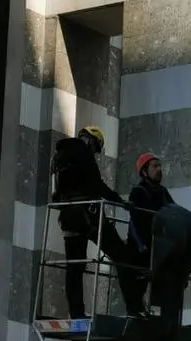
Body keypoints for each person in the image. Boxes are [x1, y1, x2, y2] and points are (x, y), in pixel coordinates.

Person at [50, 126, 145, 319]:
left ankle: (76, 314)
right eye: (96, 148)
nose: (94, 152)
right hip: (88, 215)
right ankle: (135, 308)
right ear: (91, 141)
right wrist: (121, 202)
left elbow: (56, 192)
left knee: (74, 267)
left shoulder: (58, 157)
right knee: (121, 254)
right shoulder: (83, 152)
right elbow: (97, 185)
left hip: (68, 217)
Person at [126, 152, 191, 330]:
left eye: (159, 166)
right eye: (154, 166)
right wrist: (143, 246)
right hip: (142, 246)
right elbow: (136, 221)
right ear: (144, 172)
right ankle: (136, 310)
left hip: (160, 245)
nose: (159, 170)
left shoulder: (163, 193)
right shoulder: (139, 192)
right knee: (140, 279)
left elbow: (174, 214)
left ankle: (164, 317)